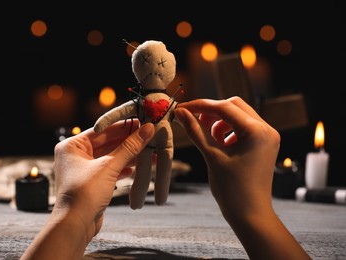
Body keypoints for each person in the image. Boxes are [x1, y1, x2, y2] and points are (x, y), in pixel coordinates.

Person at [21, 97, 311, 260]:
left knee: (161, 160)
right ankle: (141, 197)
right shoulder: (143, 102)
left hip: (163, 141)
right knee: (145, 164)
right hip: (148, 140)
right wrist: (256, 214)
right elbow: (122, 112)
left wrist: (72, 218)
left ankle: (158, 194)